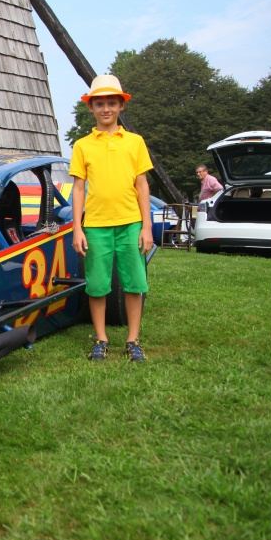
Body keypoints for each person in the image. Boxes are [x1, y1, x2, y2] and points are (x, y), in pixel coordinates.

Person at [69, 75, 154, 363]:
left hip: (131, 223)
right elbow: (78, 188)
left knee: (134, 282)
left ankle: (133, 340)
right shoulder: (82, 145)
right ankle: (100, 339)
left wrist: (147, 226)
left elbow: (142, 185)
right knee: (97, 285)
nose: (106, 108)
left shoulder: (135, 142)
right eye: (100, 103)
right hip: (95, 225)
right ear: (91, 108)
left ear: (120, 106)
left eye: (112, 103)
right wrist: (77, 228)